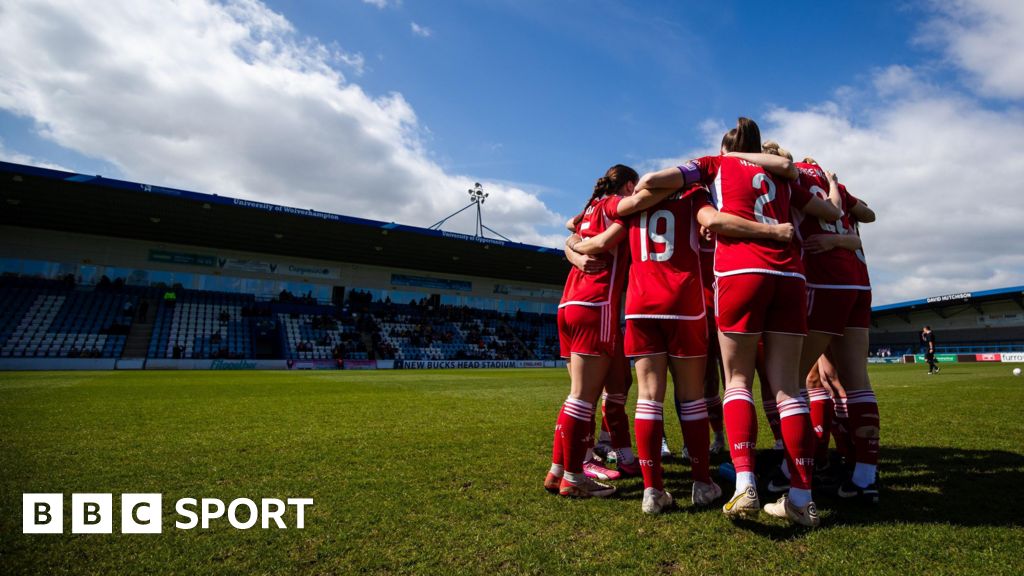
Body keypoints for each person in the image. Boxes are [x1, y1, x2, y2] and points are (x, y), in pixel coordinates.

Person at [636, 117, 842, 527]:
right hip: (790, 276)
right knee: (789, 387)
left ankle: (745, 482)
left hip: (740, 273)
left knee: (737, 380)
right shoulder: (782, 174)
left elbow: (650, 179)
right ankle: (801, 497)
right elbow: (830, 210)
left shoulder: (716, 163)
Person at [569, 173, 795, 514]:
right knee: (692, 397)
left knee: (647, 397)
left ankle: (652, 491)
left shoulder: (632, 206)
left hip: (641, 306)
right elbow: (713, 221)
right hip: (684, 303)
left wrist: (573, 248)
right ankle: (702, 482)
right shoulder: (694, 195)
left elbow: (591, 233)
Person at [545, 165, 635, 498]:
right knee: (584, 399)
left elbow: (571, 226)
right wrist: (583, 250)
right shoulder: (614, 206)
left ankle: (557, 471)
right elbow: (608, 230)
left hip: (567, 306)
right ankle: (573, 477)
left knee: (576, 396)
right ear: (627, 186)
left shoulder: (587, 212)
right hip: (595, 305)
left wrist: (573, 249)